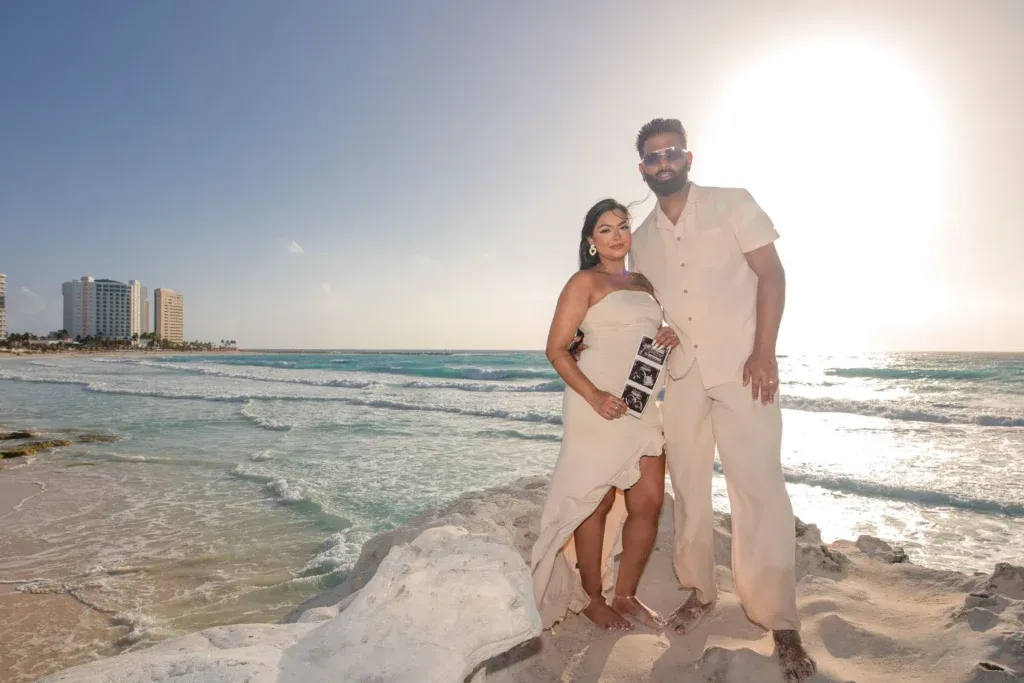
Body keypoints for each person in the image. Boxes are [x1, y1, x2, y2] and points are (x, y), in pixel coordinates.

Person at [628, 118, 817, 682]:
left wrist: (765, 352)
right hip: (681, 378)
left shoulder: (733, 203)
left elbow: (772, 276)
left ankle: (779, 618)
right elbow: (650, 315)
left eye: (671, 152)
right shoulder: (639, 241)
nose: (663, 162)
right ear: (642, 168)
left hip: (743, 370)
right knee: (687, 487)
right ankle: (700, 590)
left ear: (688, 157)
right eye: (653, 157)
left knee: (759, 488)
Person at [531, 198, 680, 631]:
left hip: (640, 403)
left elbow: (643, 339)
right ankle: (593, 598)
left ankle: (626, 594)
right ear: (591, 242)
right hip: (594, 405)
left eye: (622, 226)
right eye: (605, 229)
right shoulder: (584, 282)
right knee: (592, 502)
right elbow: (556, 350)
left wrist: (664, 335)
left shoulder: (645, 283)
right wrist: (595, 396)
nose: (617, 235)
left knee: (648, 502)